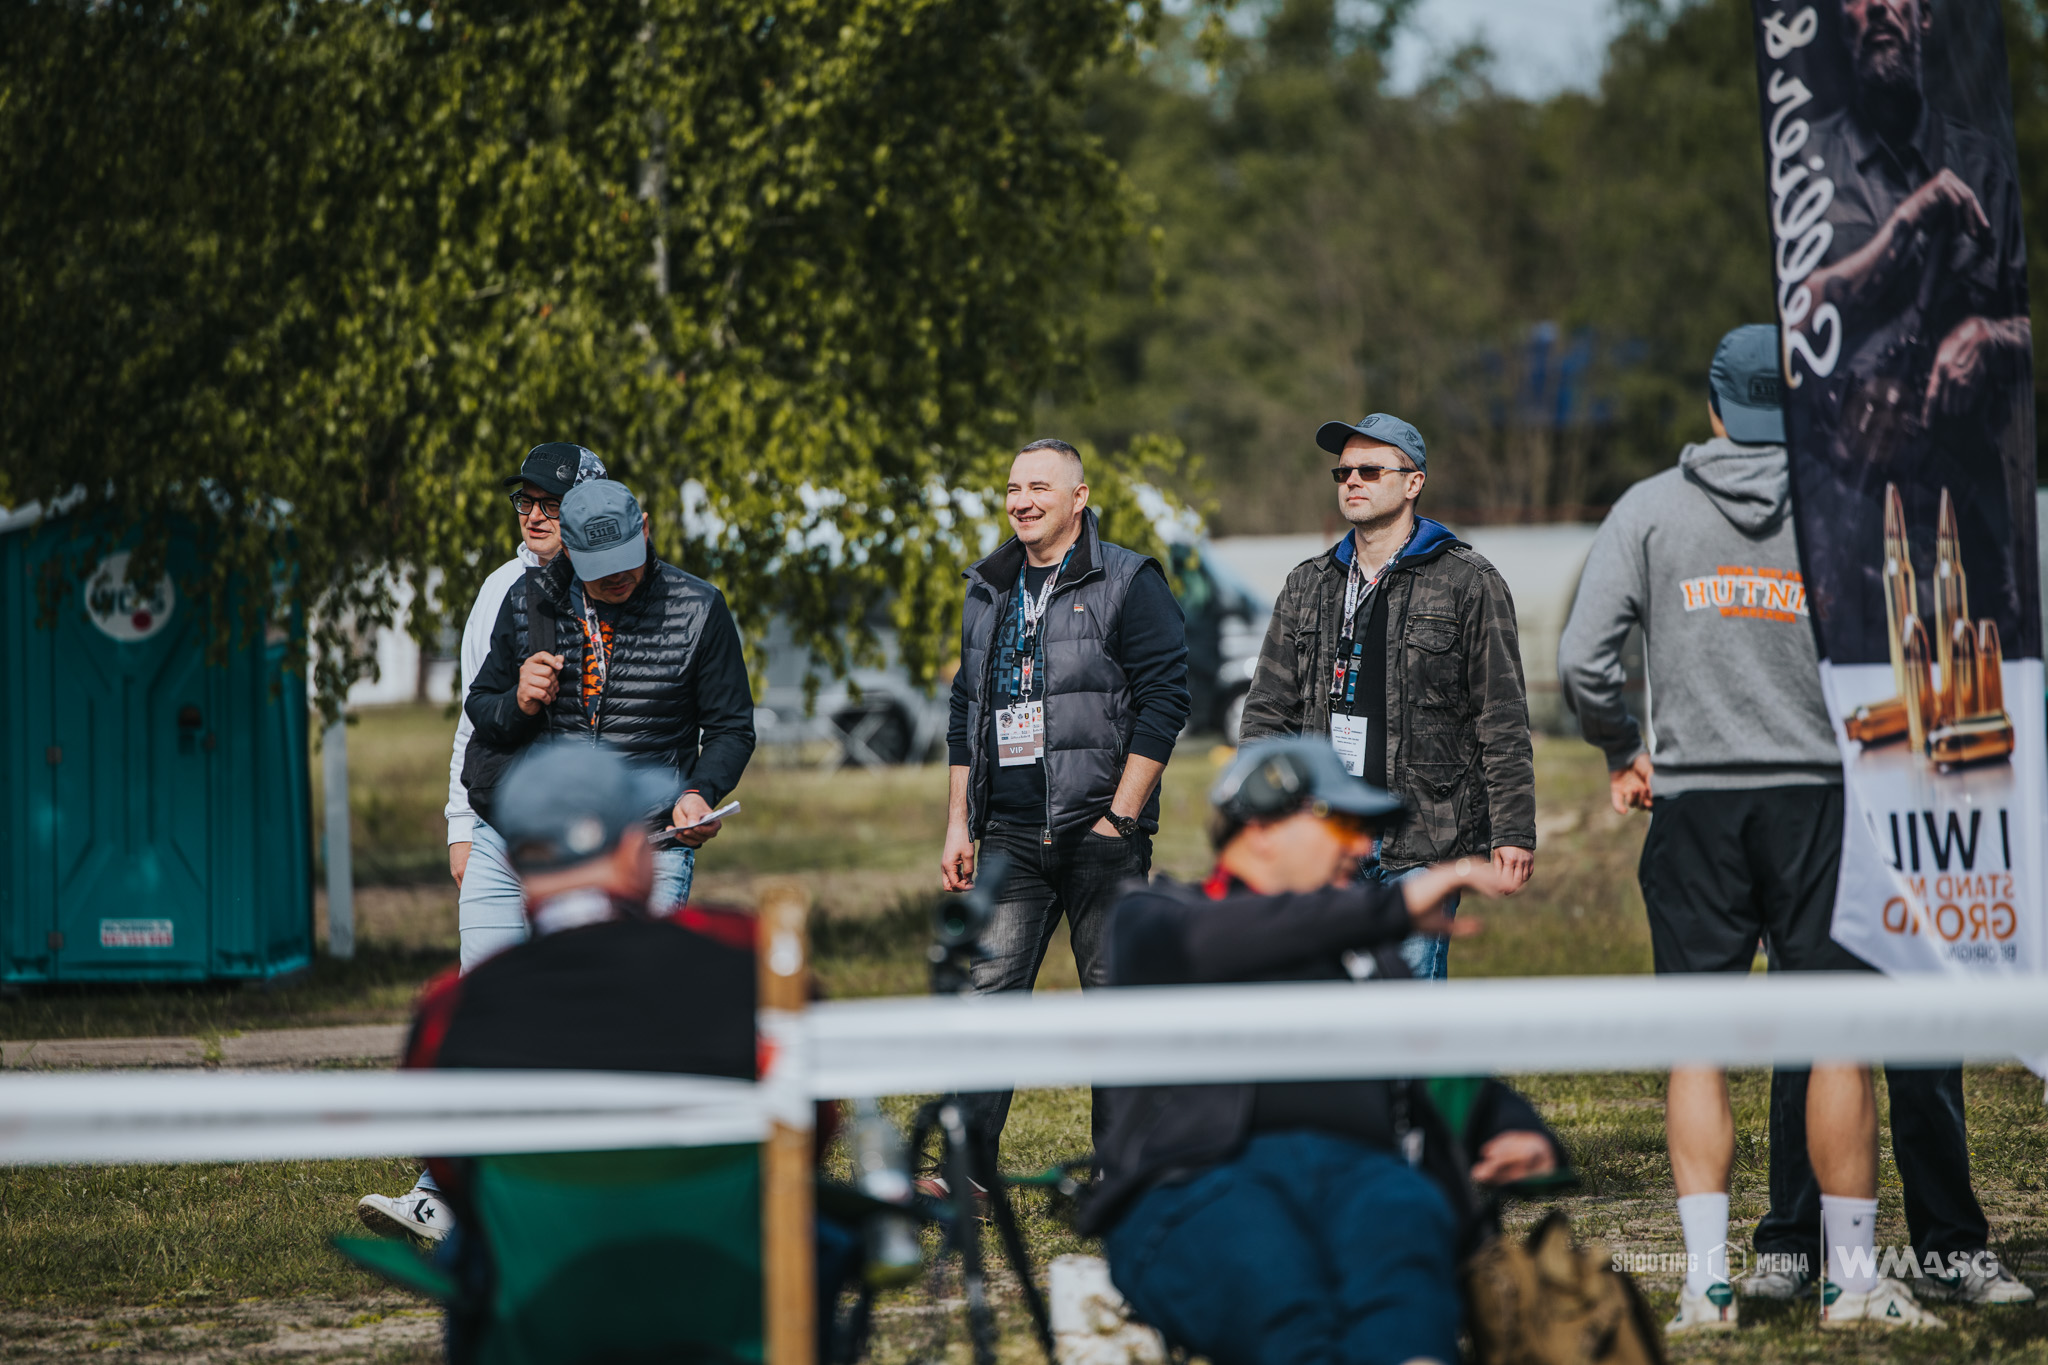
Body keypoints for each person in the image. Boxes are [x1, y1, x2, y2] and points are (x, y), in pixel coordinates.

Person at [1556, 323, 1975, 1330]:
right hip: (1822, 798)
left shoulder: (1647, 508)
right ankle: (1850, 1281)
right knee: (1837, 1037)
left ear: (1712, 407)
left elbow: (1581, 660)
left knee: (1696, 1045)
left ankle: (1705, 1286)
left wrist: (1620, 749)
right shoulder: (1847, 506)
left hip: (1695, 801)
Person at [1082, 738, 1554, 1365]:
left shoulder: (1365, 955)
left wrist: (1508, 1126)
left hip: (1366, 1179)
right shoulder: (1158, 920)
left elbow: (1436, 1067)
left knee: (1406, 1282)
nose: (1363, 848)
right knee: (1287, 1307)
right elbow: (1219, 939)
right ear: (1261, 828)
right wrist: (1392, 906)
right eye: (1343, 824)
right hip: (1207, 1182)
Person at [398, 742, 857, 1361]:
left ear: (515, 866)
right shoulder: (749, 960)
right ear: (633, 852)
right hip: (728, 1307)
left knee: (468, 1250)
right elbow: (813, 1122)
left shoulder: (454, 1008)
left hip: (544, 1314)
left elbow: (451, 1164)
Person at [356, 441, 607, 1242]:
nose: (533, 515)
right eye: (524, 501)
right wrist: (460, 825)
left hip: (595, 848)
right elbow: (474, 716)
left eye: (550, 503)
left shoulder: (627, 593)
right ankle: (441, 1193)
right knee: (485, 1007)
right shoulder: (501, 589)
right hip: (502, 834)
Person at [939, 438, 1190, 1169]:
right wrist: (958, 823)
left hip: (1099, 833)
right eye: (1013, 488)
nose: (1022, 502)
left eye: (1039, 488)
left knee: (1116, 1010)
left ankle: (1121, 1175)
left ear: (1078, 498)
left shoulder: (1130, 580)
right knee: (986, 999)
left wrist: (1121, 817)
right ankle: (965, 1174)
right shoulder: (988, 585)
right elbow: (965, 708)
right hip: (1008, 835)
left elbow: (1165, 702)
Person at [1239, 413, 1535, 979]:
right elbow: (1267, 711)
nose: (1352, 480)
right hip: (1323, 833)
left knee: (1406, 1008)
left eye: (1370, 471)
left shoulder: (1468, 581)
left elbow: (1501, 715)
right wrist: (1258, 815)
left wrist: (1513, 830)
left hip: (1424, 835)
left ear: (1413, 482)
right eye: (1343, 471)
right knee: (1321, 999)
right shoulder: (1308, 584)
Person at [1795, 0, 2035, 664]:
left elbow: (2029, 328)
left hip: (1974, 528)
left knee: (1987, 706)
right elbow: (1795, 313)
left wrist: (1989, 335)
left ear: (1924, 16)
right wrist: (1907, 221)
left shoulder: (1985, 165)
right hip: (1852, 533)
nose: (1878, 8)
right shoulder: (1806, 168)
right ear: (1841, 21)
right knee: (1868, 710)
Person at [464, 477, 756, 943]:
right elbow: (480, 707)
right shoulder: (526, 600)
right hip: (528, 843)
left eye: (624, 558)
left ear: (644, 529)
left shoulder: (700, 608)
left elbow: (731, 728)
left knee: (628, 985)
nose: (616, 576)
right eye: (598, 567)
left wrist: (698, 792)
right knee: (498, 987)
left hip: (647, 842)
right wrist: (518, 701)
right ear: (567, 549)